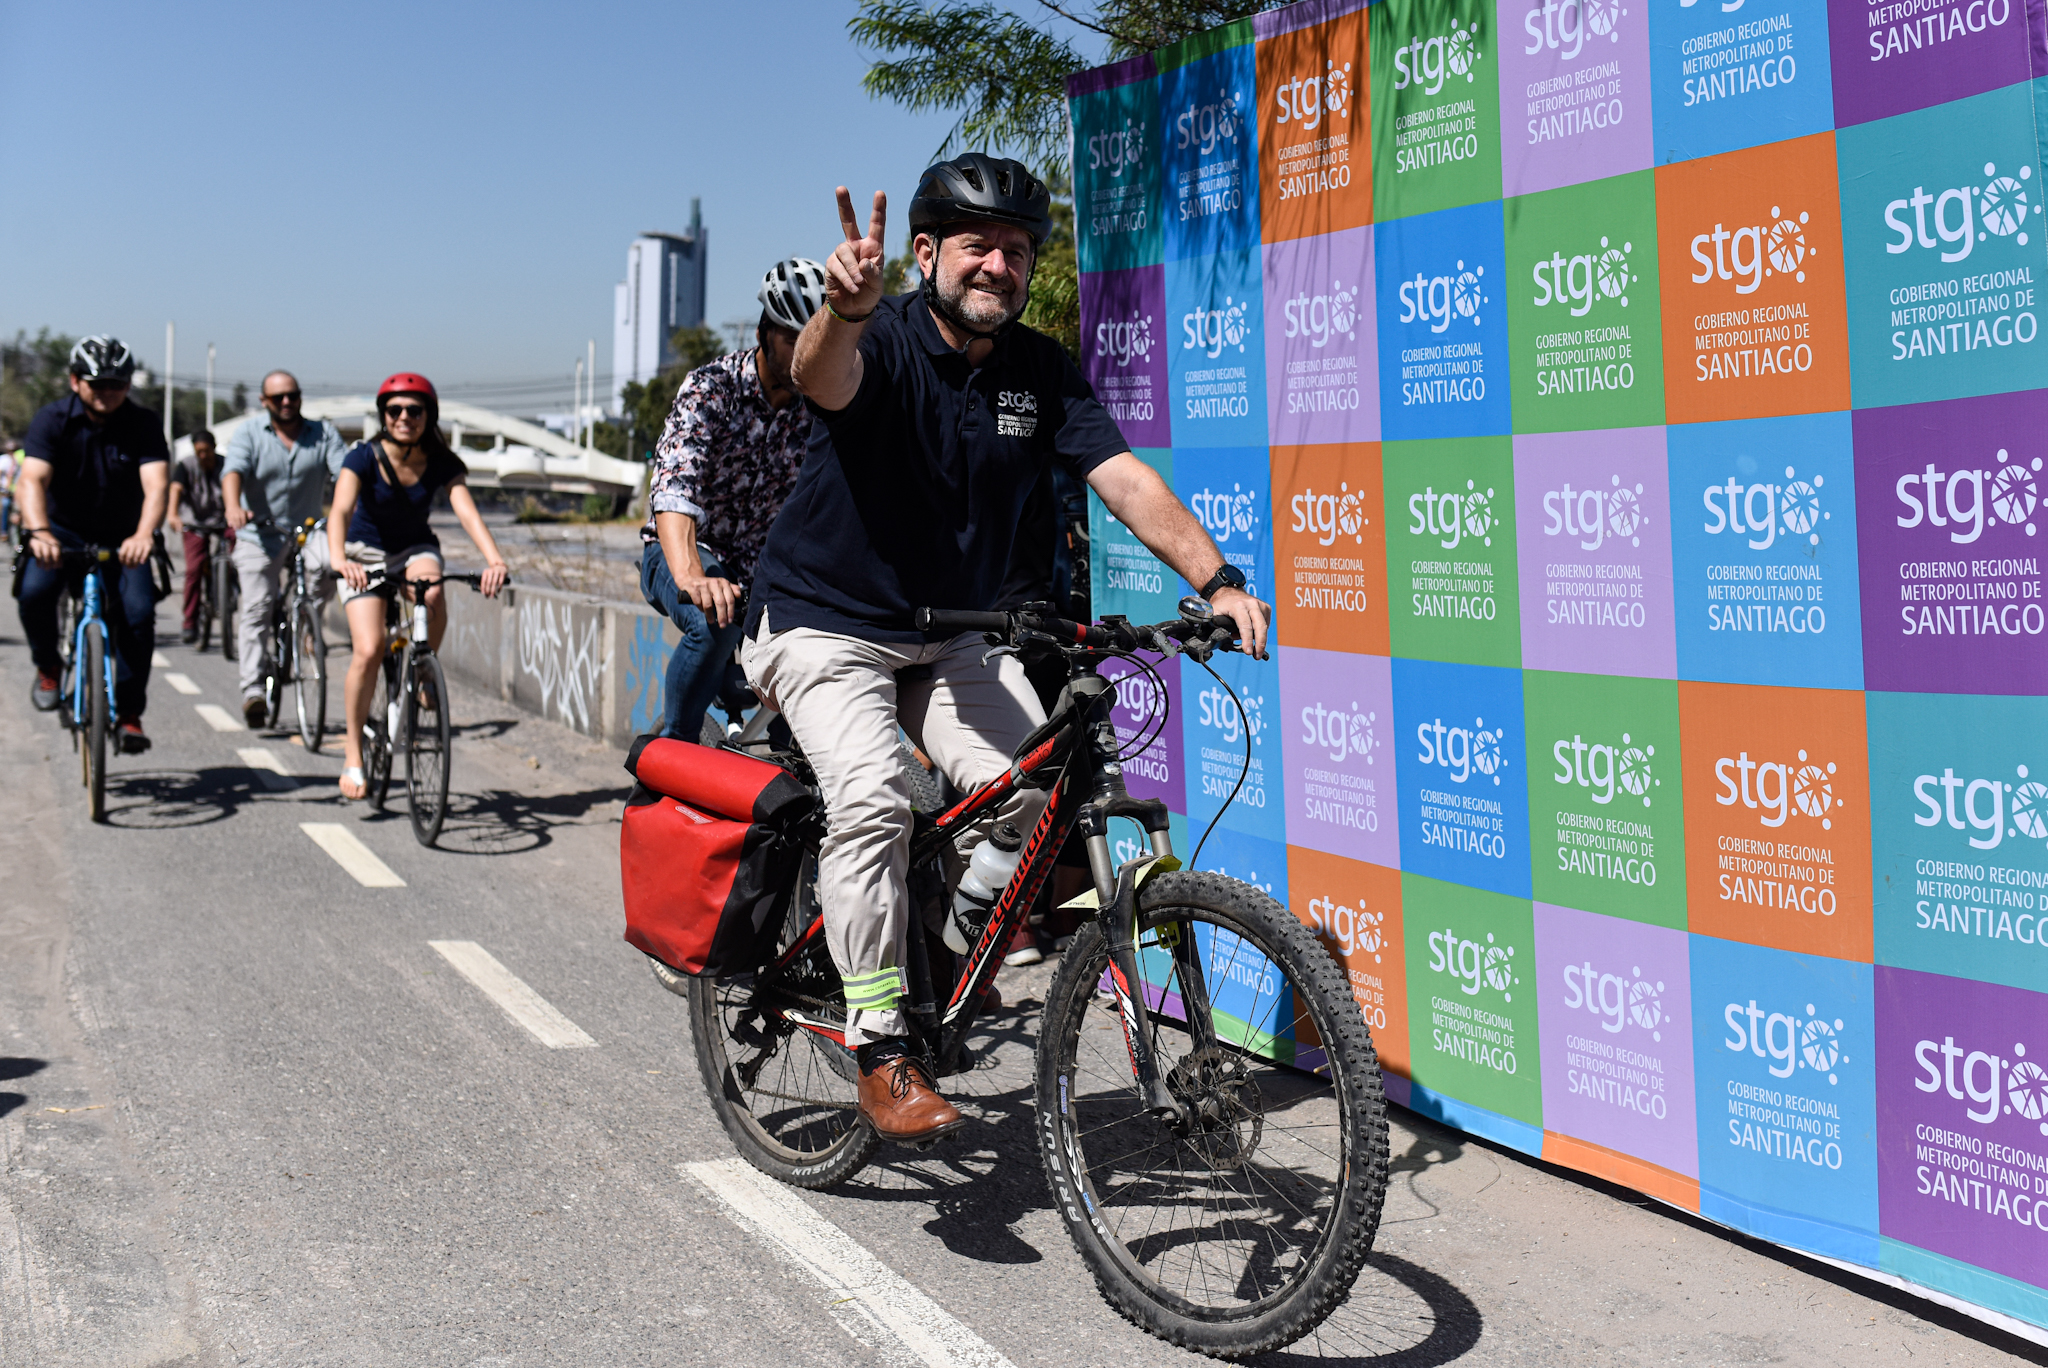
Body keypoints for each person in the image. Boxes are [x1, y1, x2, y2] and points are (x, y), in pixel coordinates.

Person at [744, 156, 1270, 1142]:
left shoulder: (1038, 371)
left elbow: (1122, 479)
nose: (997, 265)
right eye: (976, 245)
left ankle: (943, 949)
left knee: (1028, 795)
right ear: (924, 253)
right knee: (869, 799)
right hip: (820, 621)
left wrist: (1218, 580)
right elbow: (822, 375)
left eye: (1016, 251)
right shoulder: (883, 337)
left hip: (950, 634)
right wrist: (842, 310)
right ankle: (879, 1046)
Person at [639, 256, 826, 742]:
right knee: (712, 622)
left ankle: (798, 782)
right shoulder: (711, 388)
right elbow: (675, 485)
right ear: (764, 331)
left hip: (762, 574)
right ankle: (673, 754)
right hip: (681, 554)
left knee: (822, 649)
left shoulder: (819, 409)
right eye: (792, 340)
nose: (804, 355)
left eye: (816, 342)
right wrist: (690, 576)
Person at [328, 373, 507, 801]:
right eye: (395, 410)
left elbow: (466, 513)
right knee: (369, 649)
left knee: (432, 590)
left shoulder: (441, 460)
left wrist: (494, 560)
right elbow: (339, 509)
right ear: (383, 416)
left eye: (414, 410)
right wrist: (339, 560)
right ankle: (353, 753)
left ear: (430, 416)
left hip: (413, 547)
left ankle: (423, 670)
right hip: (364, 553)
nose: (405, 417)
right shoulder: (362, 457)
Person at [15, 336, 169, 752]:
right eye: (97, 383)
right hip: (60, 533)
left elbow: (156, 486)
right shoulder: (52, 419)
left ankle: (130, 715)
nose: (107, 392)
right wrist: (40, 533)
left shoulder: (143, 423)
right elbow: (31, 480)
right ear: (74, 381)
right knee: (33, 594)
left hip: (125, 538)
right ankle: (48, 666)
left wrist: (143, 535)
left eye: (117, 384)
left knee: (138, 615)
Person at [221, 370, 350, 726]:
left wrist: (350, 511)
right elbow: (233, 471)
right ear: (265, 402)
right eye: (278, 398)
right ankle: (253, 691)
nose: (287, 402)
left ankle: (305, 622)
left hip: (309, 529)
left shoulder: (322, 434)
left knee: (331, 564)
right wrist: (234, 506)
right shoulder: (249, 433)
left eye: (292, 395)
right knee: (258, 608)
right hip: (258, 533)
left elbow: (345, 475)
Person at [167, 429, 229, 644]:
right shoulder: (186, 465)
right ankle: (190, 621)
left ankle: (230, 584)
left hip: (224, 519)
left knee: (240, 549)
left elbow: (239, 488)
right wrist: (173, 514)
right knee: (194, 569)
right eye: (199, 451)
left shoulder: (227, 464)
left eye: (207, 451)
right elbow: (175, 489)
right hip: (194, 522)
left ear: (214, 448)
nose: (203, 456)